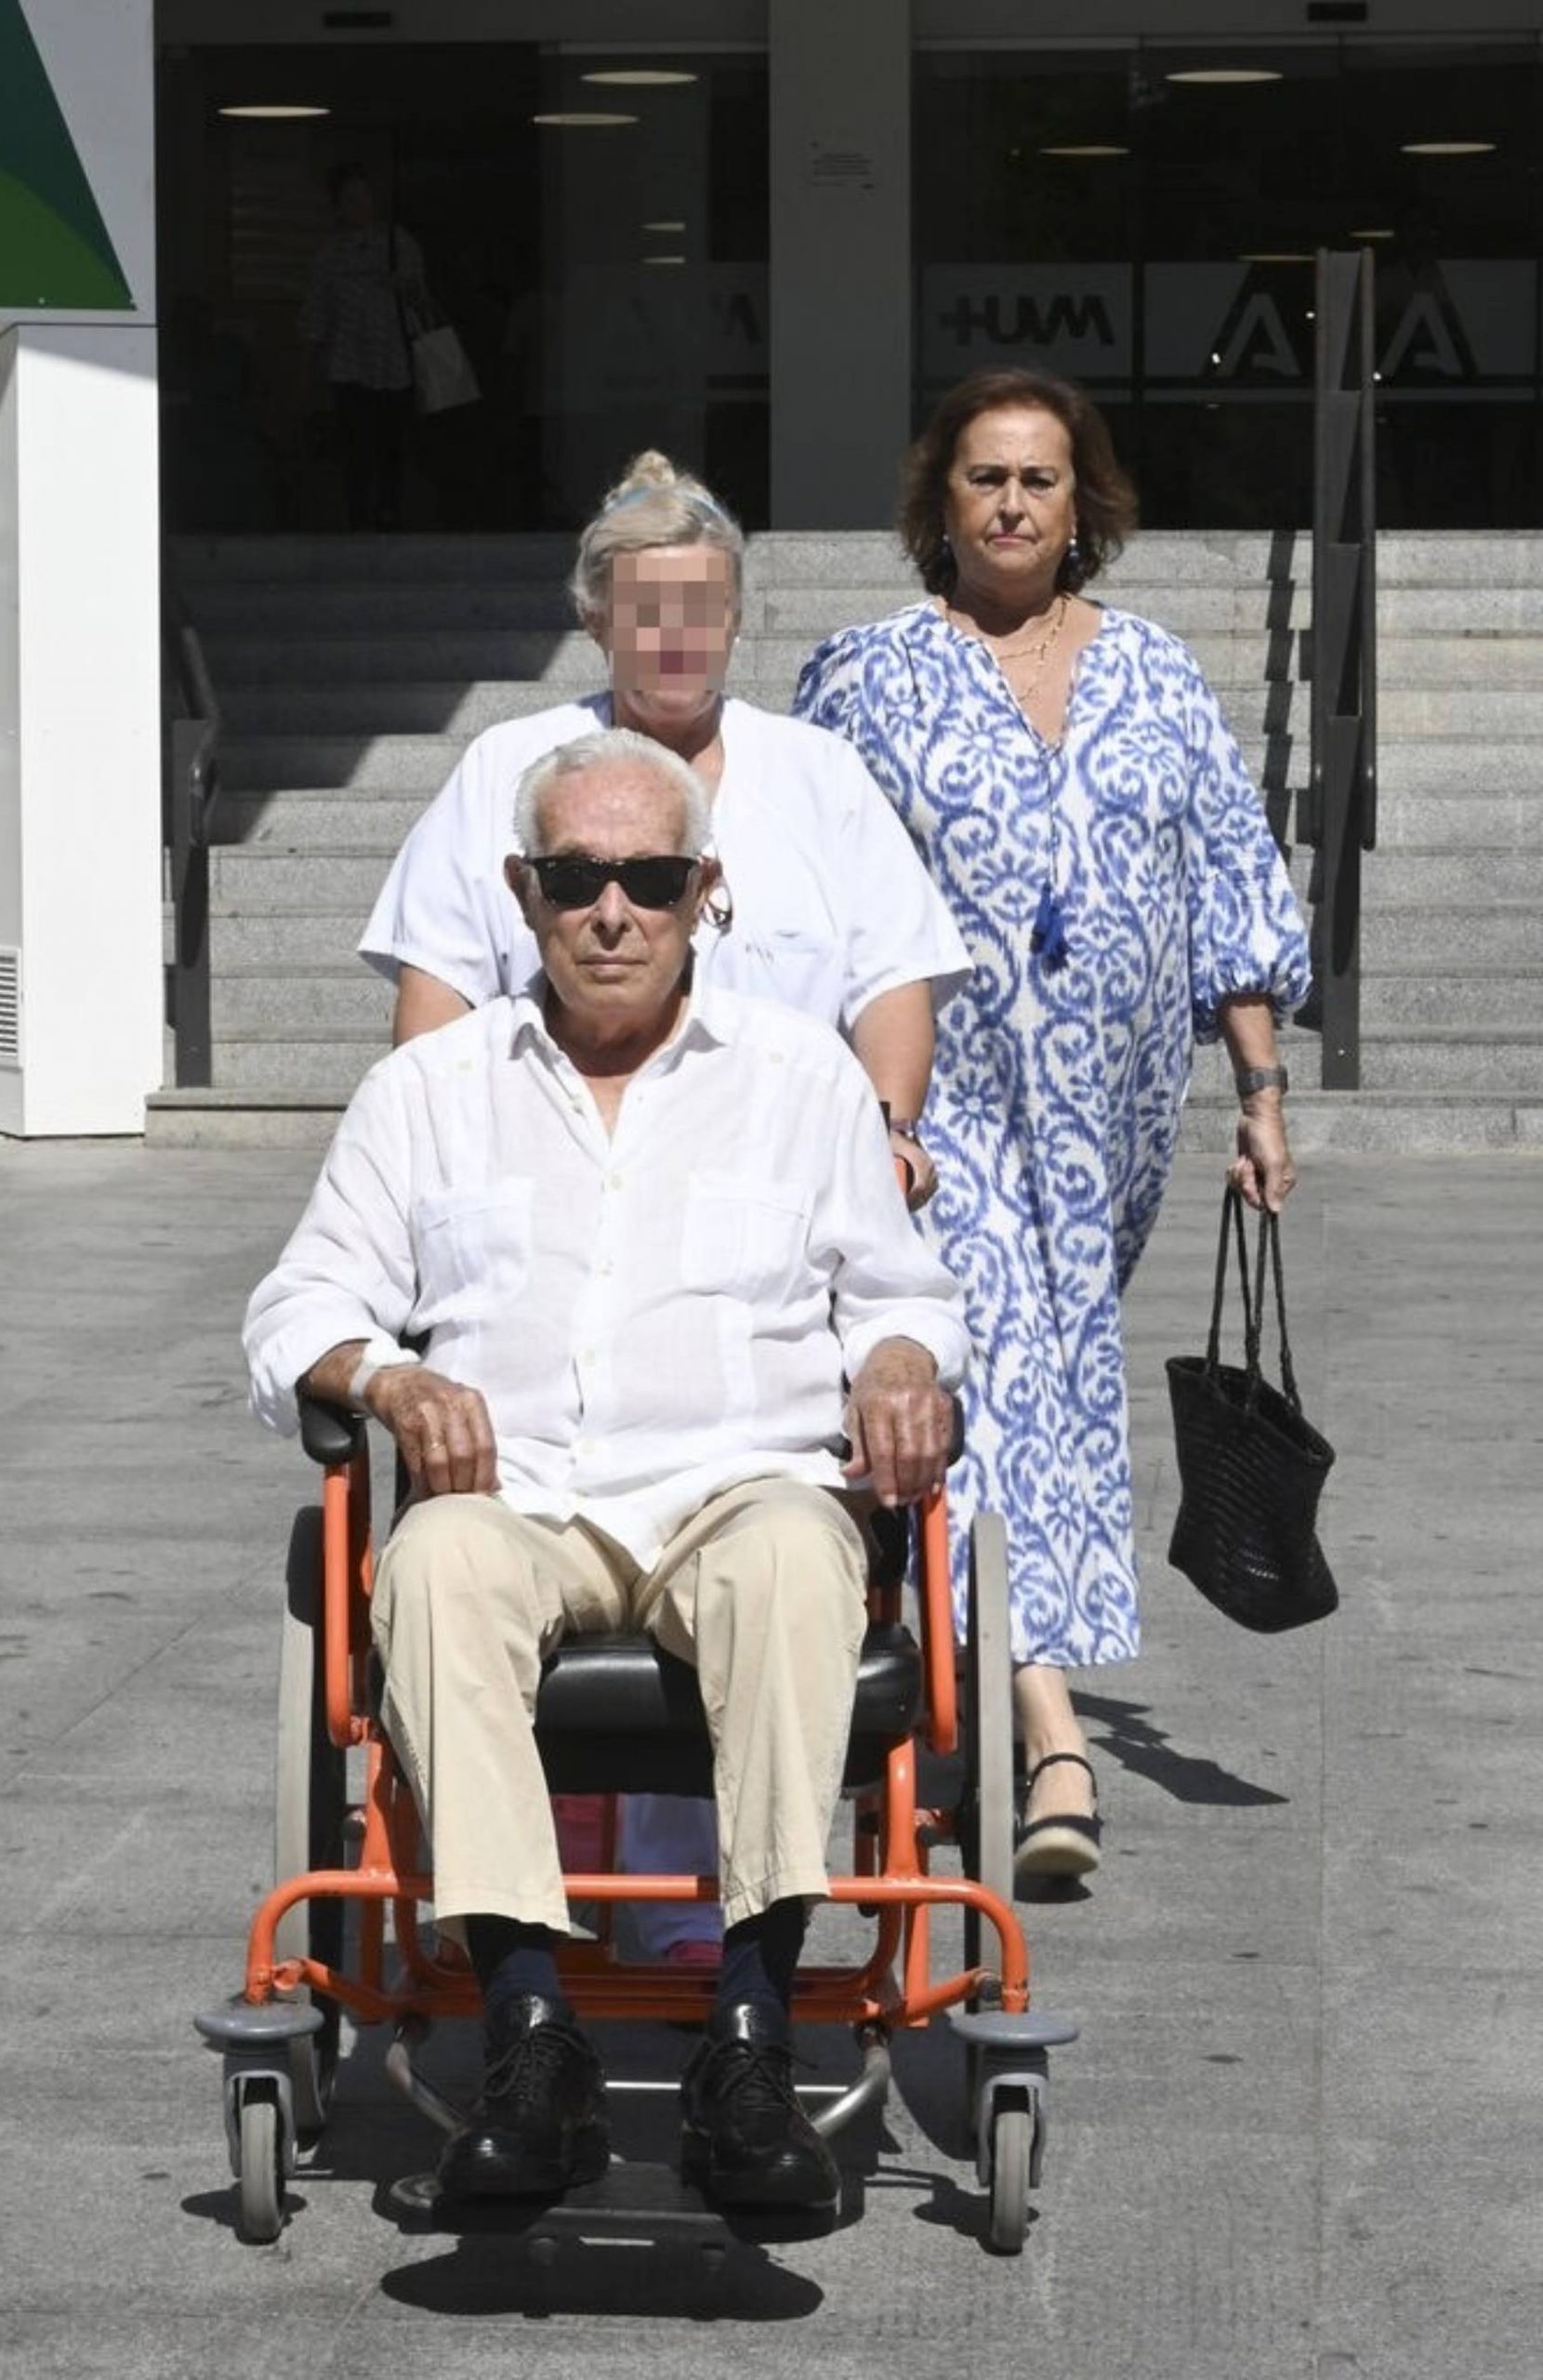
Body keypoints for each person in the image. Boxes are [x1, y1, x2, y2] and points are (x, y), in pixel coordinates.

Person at [244, 732, 967, 2210]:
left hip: (739, 1487)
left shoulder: (800, 1079)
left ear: (707, 889)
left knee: (785, 1554)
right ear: (523, 892)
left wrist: (898, 1361)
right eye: (578, 877)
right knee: (431, 1557)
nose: (613, 910)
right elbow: (296, 1305)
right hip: (524, 1505)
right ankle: (530, 2033)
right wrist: (387, 1375)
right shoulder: (431, 1090)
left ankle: (750, 2033)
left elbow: (906, 1294)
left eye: (649, 876)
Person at [360, 449, 969, 1958]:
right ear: (594, 619)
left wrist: (885, 1131)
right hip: (555, 1211)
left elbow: (896, 981)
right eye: (647, 608)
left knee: (779, 1496)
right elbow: (435, 1014)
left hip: (775, 1230)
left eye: (705, 606)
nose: (678, 636)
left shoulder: (819, 782)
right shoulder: (505, 767)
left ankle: (718, 1930)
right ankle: (540, 1917)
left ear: (740, 617)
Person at [793, 368, 1311, 1881]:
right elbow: (802, 875)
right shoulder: (867, 674)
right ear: (936, 503)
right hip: (941, 1097)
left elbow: (1227, 874)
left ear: (1083, 503)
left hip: (1116, 1114)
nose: (1013, 503)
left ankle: (949, 1682)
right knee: (1003, 1362)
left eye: (1039, 478)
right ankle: (1049, 1726)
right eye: (984, 478)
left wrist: (1260, 1090)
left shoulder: (1155, 672)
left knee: (1053, 1367)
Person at [298, 164, 427, 529]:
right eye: (350, 199)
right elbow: (316, 315)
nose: (360, 206)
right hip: (347, 362)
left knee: (392, 440)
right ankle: (357, 512)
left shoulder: (397, 243)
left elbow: (421, 293)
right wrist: (307, 369)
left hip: (394, 361)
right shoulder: (327, 256)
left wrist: (399, 285)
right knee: (354, 441)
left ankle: (390, 508)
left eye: (365, 198)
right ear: (337, 206)